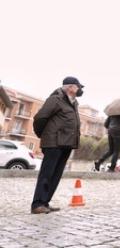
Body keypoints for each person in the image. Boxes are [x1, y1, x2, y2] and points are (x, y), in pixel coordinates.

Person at [30, 77, 84, 214]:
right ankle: (37, 204)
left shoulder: (73, 103)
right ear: (71, 87)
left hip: (66, 144)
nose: (80, 90)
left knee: (56, 175)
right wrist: (43, 135)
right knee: (47, 174)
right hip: (53, 143)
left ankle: (45, 203)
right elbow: (39, 118)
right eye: (78, 87)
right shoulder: (55, 99)